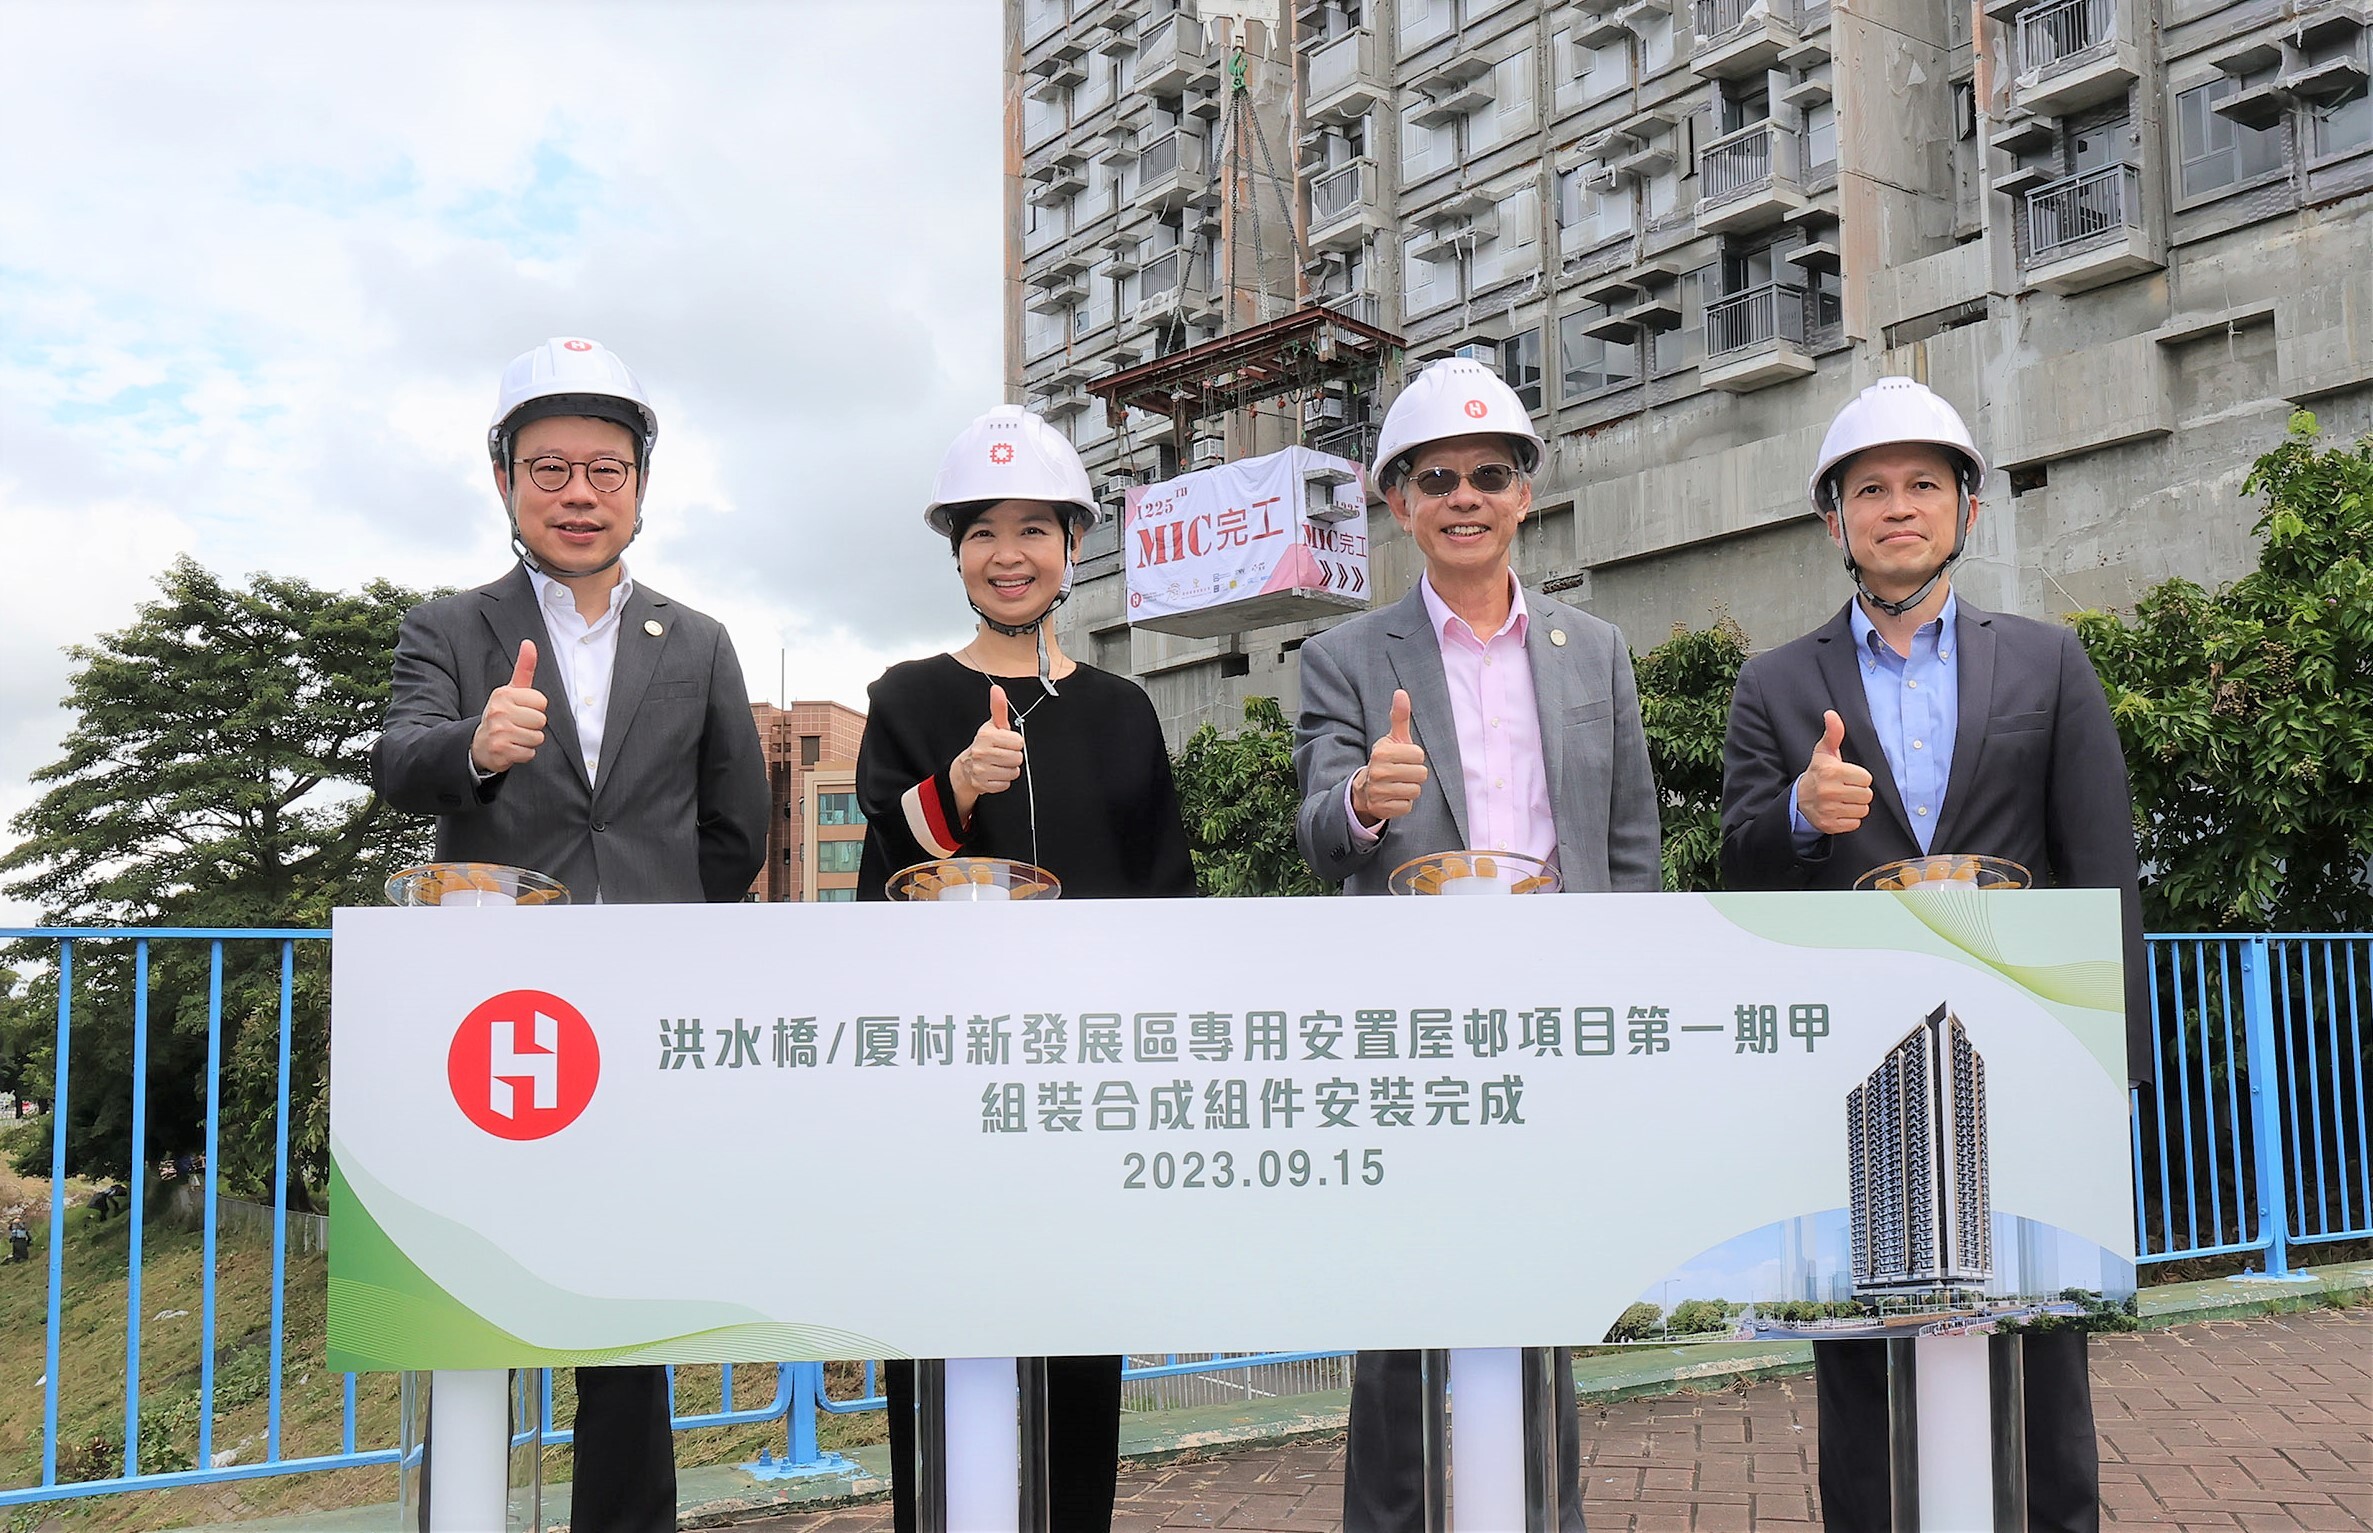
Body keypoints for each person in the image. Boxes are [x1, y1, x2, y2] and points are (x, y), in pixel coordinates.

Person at [1719, 375, 2150, 1533]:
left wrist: (2118, 1067)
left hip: (2027, 1058)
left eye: (1924, 485)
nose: (1897, 508)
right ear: (1834, 521)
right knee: (1863, 1356)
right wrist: (1803, 813)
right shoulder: (1777, 684)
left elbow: (2100, 863)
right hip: (1854, 1075)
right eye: (1871, 490)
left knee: (2040, 1344)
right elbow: (1739, 880)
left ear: (1967, 507)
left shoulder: (2049, 664)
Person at [372, 336, 769, 1533]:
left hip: (640, 1018)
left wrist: (639, 930)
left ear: (642, 485)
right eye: (549, 468)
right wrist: (475, 750)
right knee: (471, 1303)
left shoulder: (695, 642)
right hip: (490, 1021)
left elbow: (733, 830)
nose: (580, 493)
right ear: (504, 483)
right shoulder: (449, 628)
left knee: (626, 1312)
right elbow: (397, 761)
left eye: (607, 468)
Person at [1292, 356, 1662, 1533]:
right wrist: (1365, 796)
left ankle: (1539, 1515)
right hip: (1410, 1032)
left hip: (1554, 1021)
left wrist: (1624, 1007)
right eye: (1435, 477)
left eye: (1488, 475)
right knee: (1402, 1322)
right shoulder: (1346, 660)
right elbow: (1315, 835)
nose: (1464, 496)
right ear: (1398, 502)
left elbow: (1631, 843)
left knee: (1539, 1301)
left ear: (1525, 496)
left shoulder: (1593, 648)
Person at [856, 405, 1196, 1532]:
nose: (1010, 554)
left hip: (1087, 1088)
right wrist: (957, 788)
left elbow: (1166, 897)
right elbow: (885, 871)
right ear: (956, 553)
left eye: (1035, 529)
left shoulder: (1120, 710)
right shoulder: (907, 697)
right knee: (945, 1353)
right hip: (947, 1091)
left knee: (1076, 1357)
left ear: (1073, 546)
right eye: (984, 531)